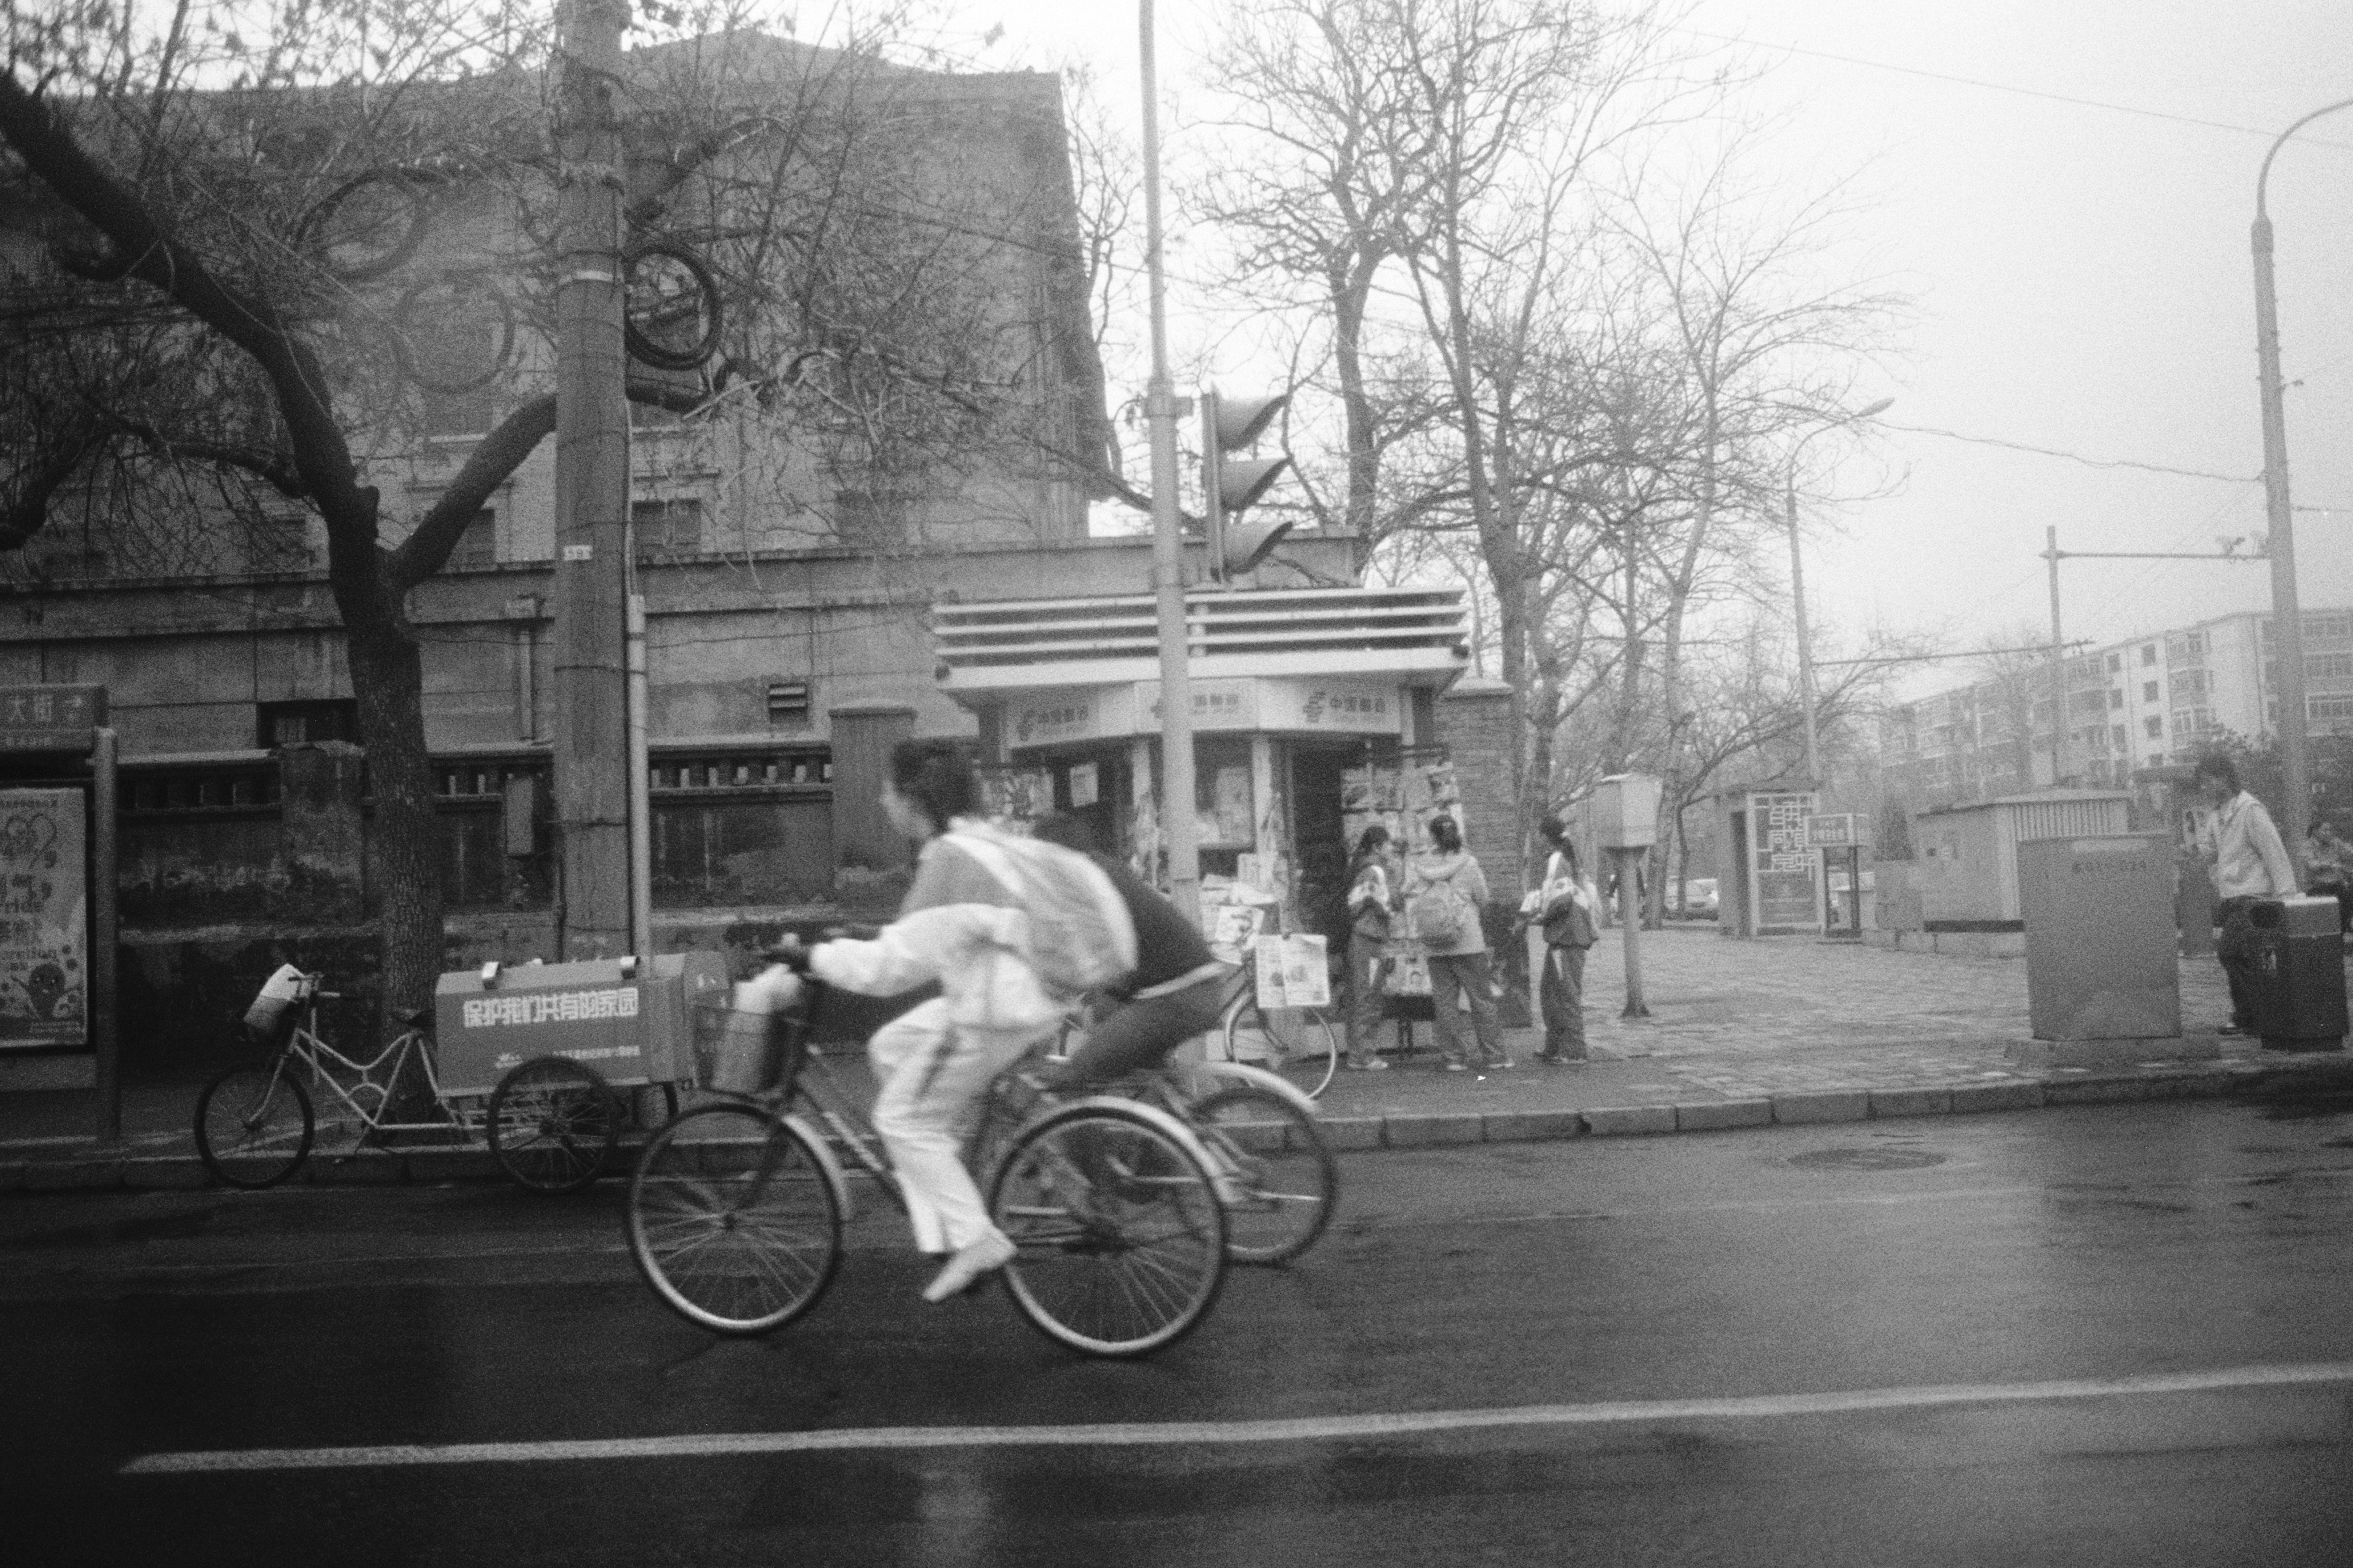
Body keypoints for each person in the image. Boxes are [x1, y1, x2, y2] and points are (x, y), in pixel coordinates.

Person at [765, 740, 1123, 1303]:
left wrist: (812, 959)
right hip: (1019, 991)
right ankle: (940, 1225)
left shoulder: (951, 861)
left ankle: (975, 1238)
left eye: (888, 789)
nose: (883, 801)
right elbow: (931, 934)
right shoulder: (977, 841)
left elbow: (890, 969)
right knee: (888, 1045)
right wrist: (862, 940)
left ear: (914, 797)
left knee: (901, 1119)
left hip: (992, 1007)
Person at [1028, 813, 1230, 1086]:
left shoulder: (1087, 882)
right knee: (1111, 1032)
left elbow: (1092, 950)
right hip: (1189, 990)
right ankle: (1172, 1111)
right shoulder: (1101, 870)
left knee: (1074, 1077)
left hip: (1174, 997)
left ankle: (1087, 1125)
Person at [2190, 752, 2298, 1036]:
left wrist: (2287, 895)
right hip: (2231, 897)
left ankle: (2255, 1015)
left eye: (2206, 781)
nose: (2203, 788)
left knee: (2231, 953)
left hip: (2254, 897)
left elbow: (2273, 851)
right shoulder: (2217, 814)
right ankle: (2251, 1016)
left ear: (2223, 779)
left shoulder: (2250, 810)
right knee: (2241, 956)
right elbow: (2210, 852)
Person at [1404, 812, 1506, 1072]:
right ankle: (1494, 1056)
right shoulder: (1469, 864)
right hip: (1468, 940)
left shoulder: (1421, 865)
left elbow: (1410, 896)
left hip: (1435, 944)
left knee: (1445, 1002)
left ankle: (1453, 1058)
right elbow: (1483, 899)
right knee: (1481, 999)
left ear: (1432, 836)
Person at [1522, 814, 1600, 1065]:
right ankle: (1555, 1046)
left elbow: (1561, 899)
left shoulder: (1557, 860)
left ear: (1545, 836)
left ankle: (1575, 1051)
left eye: (1539, 834)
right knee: (1551, 992)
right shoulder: (1568, 856)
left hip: (1567, 936)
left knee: (1566, 994)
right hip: (1565, 937)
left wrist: (1541, 917)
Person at [1341, 825, 1398, 1071]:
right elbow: (1385, 906)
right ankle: (1364, 1055)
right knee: (1369, 997)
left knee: (1359, 996)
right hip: (1370, 939)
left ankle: (1357, 1053)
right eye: (1388, 844)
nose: (1392, 848)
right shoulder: (1375, 871)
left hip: (1361, 938)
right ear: (1377, 847)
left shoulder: (1361, 868)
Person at [2305, 819, 2352, 935]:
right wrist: (2330, 864)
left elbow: (2349, 852)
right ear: (2316, 832)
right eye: (2325, 830)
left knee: (2347, 898)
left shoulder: (2335, 843)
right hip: (2318, 887)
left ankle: (2345, 927)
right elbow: (2312, 865)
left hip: (2337, 886)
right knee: (2327, 916)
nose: (2329, 833)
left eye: (2330, 830)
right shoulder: (2309, 846)